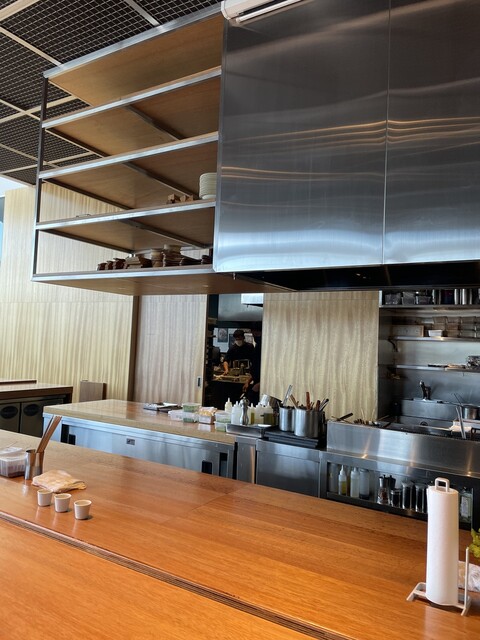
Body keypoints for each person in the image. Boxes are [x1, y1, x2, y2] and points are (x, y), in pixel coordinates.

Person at [223, 329, 260, 404]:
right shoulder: (232, 348)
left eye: (239, 339)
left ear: (243, 338)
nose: (238, 341)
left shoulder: (249, 347)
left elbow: (255, 362)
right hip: (236, 374)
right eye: (236, 339)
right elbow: (226, 360)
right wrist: (226, 370)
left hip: (248, 374)